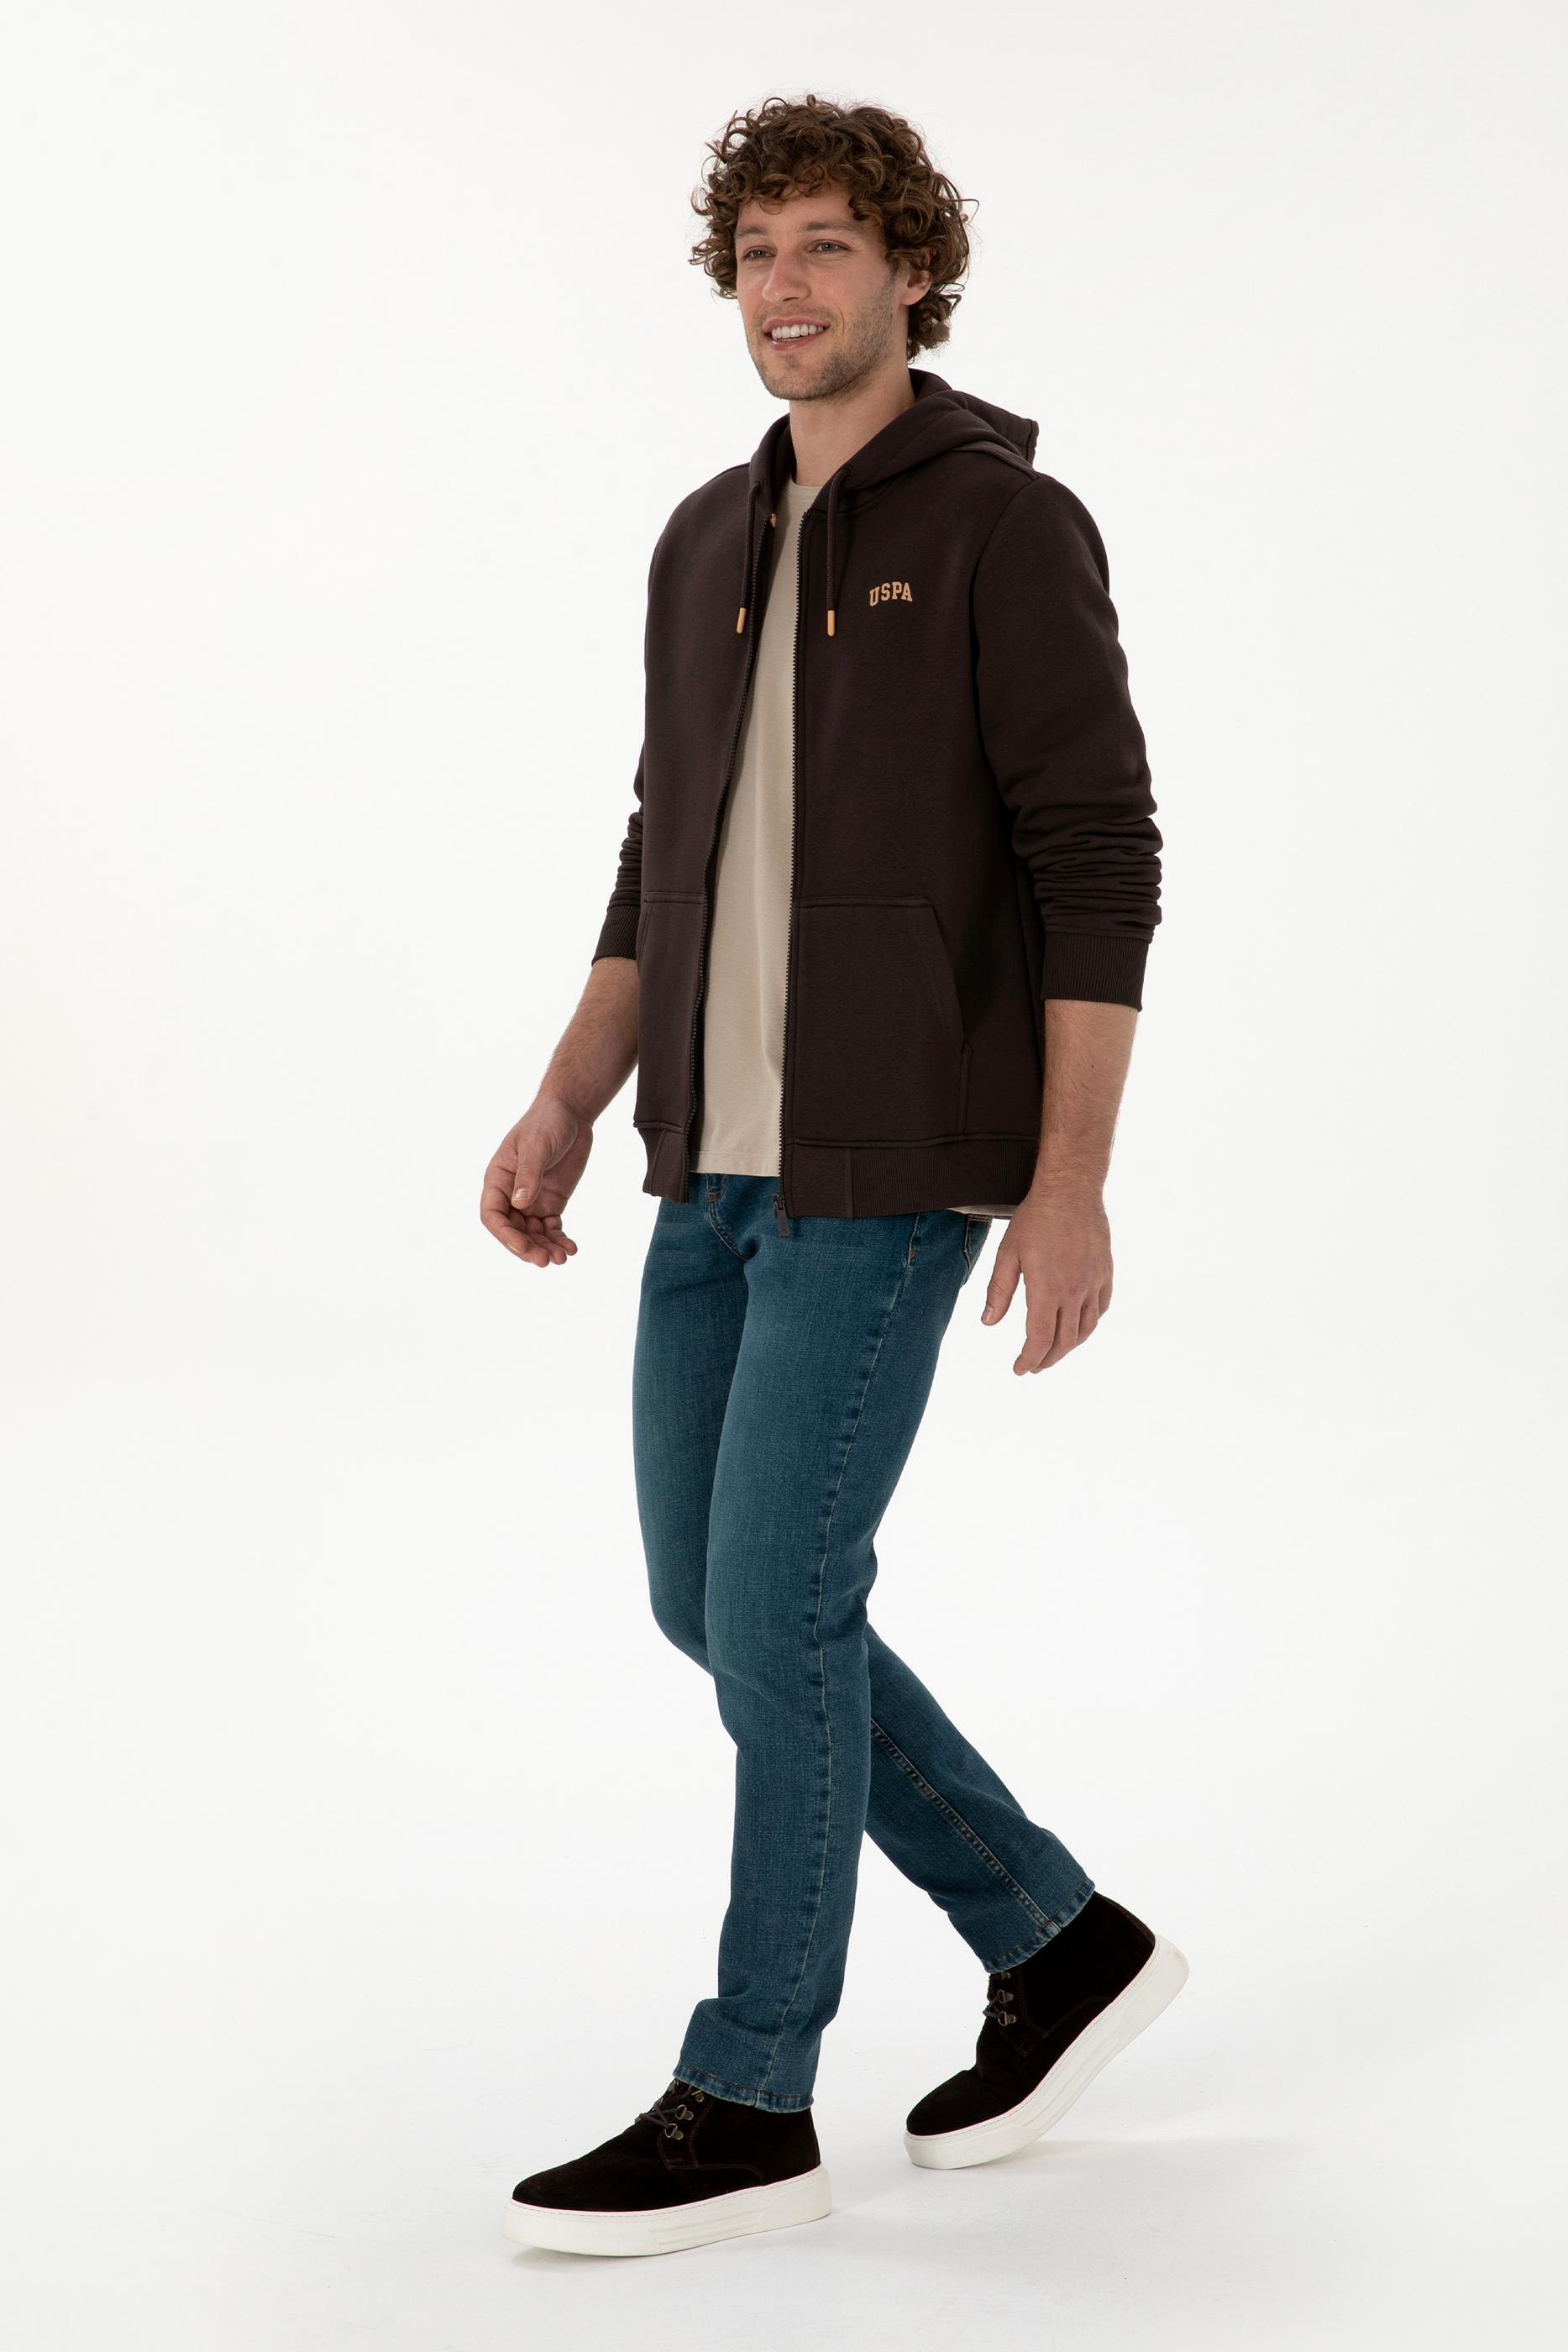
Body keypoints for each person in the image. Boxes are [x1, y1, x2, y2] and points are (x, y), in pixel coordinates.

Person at [481, 92, 1183, 2260]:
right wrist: (568, 1099)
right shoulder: (706, 536)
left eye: (827, 249)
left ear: (910, 272)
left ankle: (750, 2088)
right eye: (757, 254)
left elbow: (1101, 857)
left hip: (890, 1172)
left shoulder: (1001, 526)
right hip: (710, 1166)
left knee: (777, 1604)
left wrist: (1069, 1179)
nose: (785, 290)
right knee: (714, 1605)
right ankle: (1056, 1938)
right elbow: (660, 852)